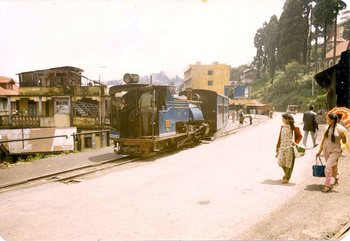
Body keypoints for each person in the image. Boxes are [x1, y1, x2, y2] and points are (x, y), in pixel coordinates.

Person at [316, 113, 350, 192]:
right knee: (332, 166)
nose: (326, 120)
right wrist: (319, 151)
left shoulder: (341, 129)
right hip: (326, 150)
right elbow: (323, 141)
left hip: (335, 151)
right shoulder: (326, 128)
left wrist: (344, 136)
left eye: (328, 118)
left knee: (327, 167)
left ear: (332, 120)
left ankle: (327, 185)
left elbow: (344, 142)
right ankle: (336, 177)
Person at [276, 113, 302, 184]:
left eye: (283, 119)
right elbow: (280, 138)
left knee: (289, 163)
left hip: (290, 148)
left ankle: (287, 177)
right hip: (282, 147)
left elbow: (300, 136)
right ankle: (287, 174)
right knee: (280, 162)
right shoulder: (282, 127)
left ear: (287, 119)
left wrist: (296, 142)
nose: (282, 120)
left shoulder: (294, 128)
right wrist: (277, 147)